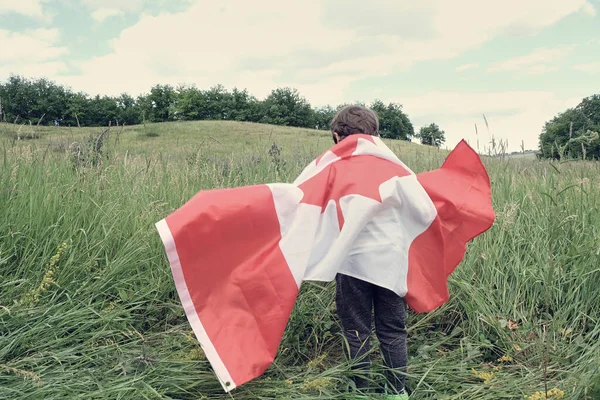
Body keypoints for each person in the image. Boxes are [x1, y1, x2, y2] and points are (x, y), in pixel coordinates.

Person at [330, 105, 409, 400]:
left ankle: (359, 389)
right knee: (393, 329)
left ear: (338, 137)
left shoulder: (333, 168)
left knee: (355, 328)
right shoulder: (395, 167)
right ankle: (397, 390)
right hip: (391, 260)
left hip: (353, 262)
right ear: (375, 134)